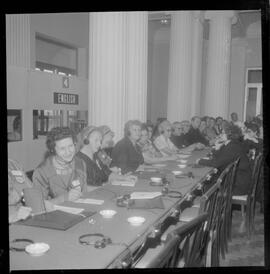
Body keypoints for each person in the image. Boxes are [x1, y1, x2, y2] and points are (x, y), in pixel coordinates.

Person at [32, 127, 87, 208]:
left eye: (70, 146)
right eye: (62, 148)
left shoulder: (80, 163)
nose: (68, 152)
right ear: (53, 149)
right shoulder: (42, 172)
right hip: (54, 216)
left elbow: (85, 194)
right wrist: (64, 198)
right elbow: (38, 206)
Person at [197, 124, 252, 195]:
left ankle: (210, 205)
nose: (220, 135)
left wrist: (200, 161)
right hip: (238, 179)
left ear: (229, 135)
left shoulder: (232, 147)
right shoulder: (232, 144)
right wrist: (218, 148)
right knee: (209, 182)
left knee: (207, 186)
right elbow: (220, 157)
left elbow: (216, 163)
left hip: (237, 186)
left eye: (223, 133)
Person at [8, 158, 33, 223]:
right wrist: (13, 217)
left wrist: (22, 176)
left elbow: (32, 194)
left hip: (23, 216)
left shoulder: (11, 164)